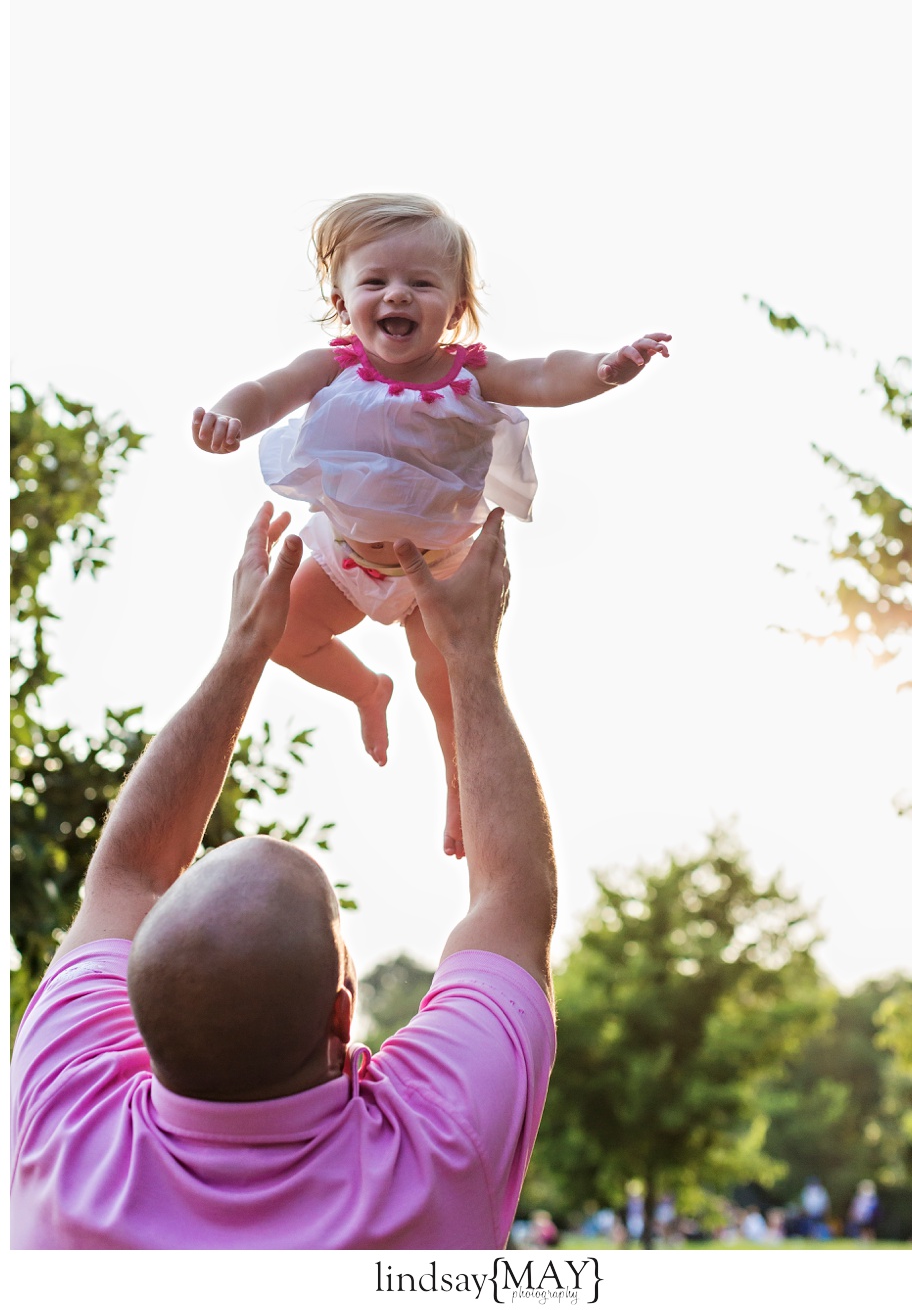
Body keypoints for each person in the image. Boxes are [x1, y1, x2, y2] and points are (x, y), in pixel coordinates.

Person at [10, 504, 558, 1250]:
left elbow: (127, 877)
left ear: (138, 1012)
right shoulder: (438, 1146)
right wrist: (469, 654)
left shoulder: (65, 1132)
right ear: (341, 1019)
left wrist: (245, 650)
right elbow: (514, 901)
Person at [193, 193, 671, 858]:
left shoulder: (472, 374)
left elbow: (543, 372)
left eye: (421, 283)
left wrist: (602, 370)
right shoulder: (330, 367)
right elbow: (265, 392)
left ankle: (456, 787)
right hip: (349, 559)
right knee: (282, 632)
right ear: (341, 301)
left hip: (439, 568)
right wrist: (230, 418)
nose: (398, 296)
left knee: (445, 686)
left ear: (456, 303)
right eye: (376, 282)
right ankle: (366, 688)